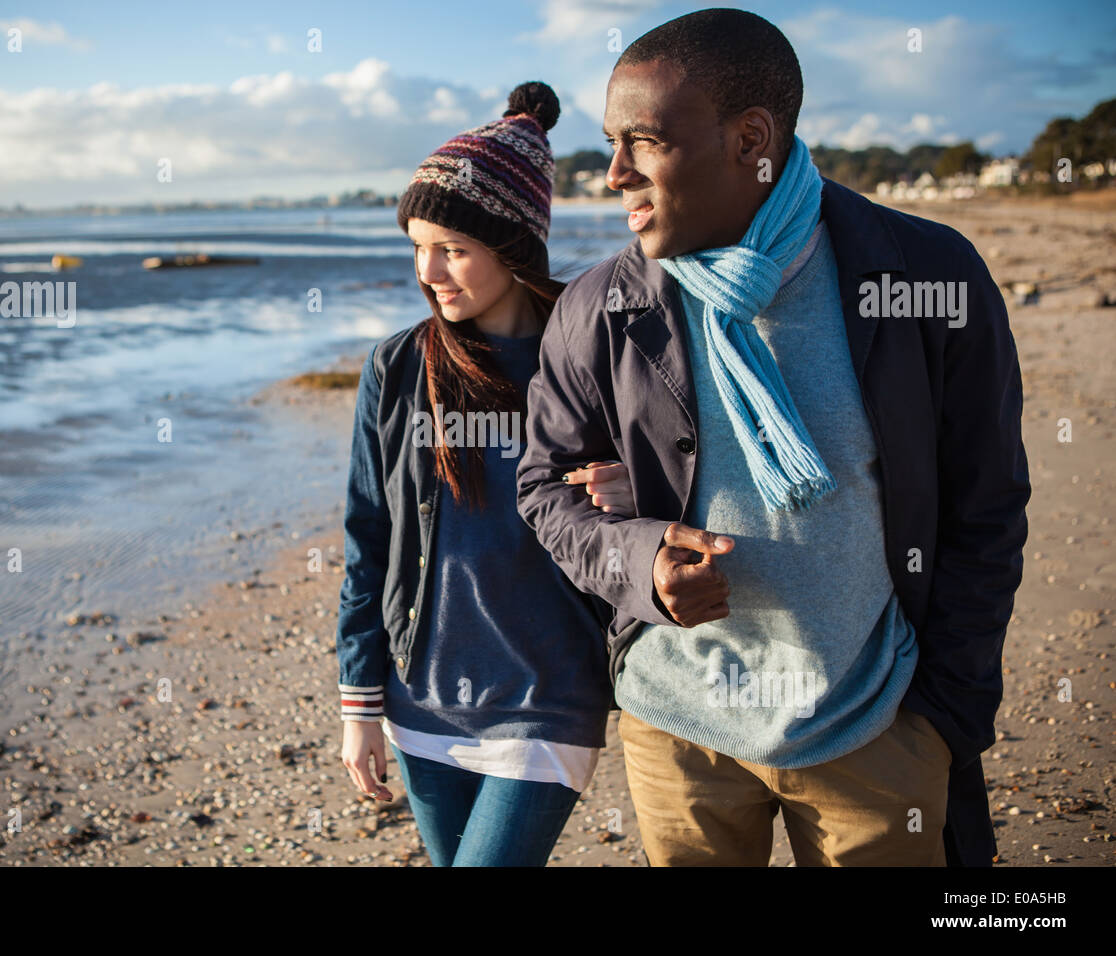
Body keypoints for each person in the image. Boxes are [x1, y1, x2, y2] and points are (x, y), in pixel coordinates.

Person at [516, 9, 1030, 866]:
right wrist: (640, 561)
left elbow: (988, 503)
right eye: (611, 143)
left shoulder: (928, 277)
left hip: (878, 726)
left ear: (750, 137)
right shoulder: (598, 308)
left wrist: (943, 712)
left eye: (642, 142)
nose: (611, 174)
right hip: (677, 730)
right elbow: (543, 490)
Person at [334, 82, 633, 866]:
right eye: (417, 247)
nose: (428, 270)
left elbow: (670, 480)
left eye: (453, 249)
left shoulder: (587, 357)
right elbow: (369, 538)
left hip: (547, 697)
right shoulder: (398, 367)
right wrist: (360, 704)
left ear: (512, 246)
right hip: (421, 697)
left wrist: (628, 490)